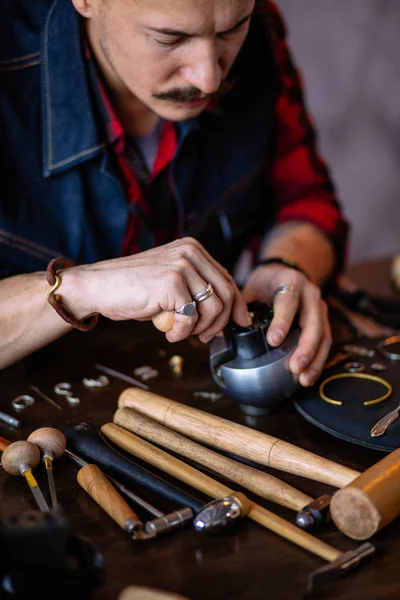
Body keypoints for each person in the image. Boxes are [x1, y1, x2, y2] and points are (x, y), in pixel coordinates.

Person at [0, 0, 349, 387]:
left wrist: (288, 265)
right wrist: (81, 288)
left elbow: (306, 200)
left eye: (231, 31)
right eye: (170, 37)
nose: (208, 80)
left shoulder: (261, 33)